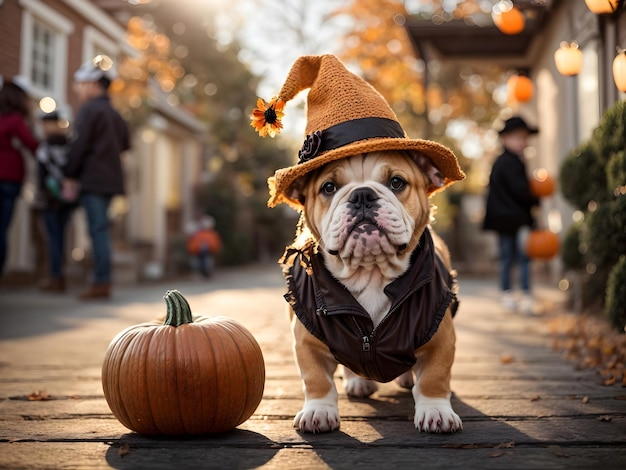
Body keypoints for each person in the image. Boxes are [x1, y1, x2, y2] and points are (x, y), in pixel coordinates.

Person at [63, 59, 130, 300]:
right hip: (111, 181)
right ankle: (101, 279)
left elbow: (79, 146)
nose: (78, 89)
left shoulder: (89, 110)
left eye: (80, 84)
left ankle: (101, 281)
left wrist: (69, 173)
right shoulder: (116, 115)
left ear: (93, 85)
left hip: (93, 180)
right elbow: (125, 146)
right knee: (102, 229)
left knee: (97, 230)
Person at [483, 116, 540, 314]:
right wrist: (535, 199)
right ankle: (521, 294)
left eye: (524, 138)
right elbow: (521, 191)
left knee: (512, 256)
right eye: (517, 138)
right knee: (519, 256)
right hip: (513, 219)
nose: (522, 142)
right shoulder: (511, 163)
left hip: (505, 219)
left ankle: (511, 293)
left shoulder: (502, 162)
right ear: (505, 139)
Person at [0, 78, 39, 277]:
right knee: (2, 228)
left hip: (9, 179)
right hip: (9, 178)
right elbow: (33, 145)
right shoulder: (15, 120)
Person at [37, 111, 77, 292]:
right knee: (61, 237)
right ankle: (60, 275)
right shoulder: (70, 146)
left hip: (51, 200)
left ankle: (56, 277)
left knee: (54, 238)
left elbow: (41, 176)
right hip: (68, 199)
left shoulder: (45, 148)